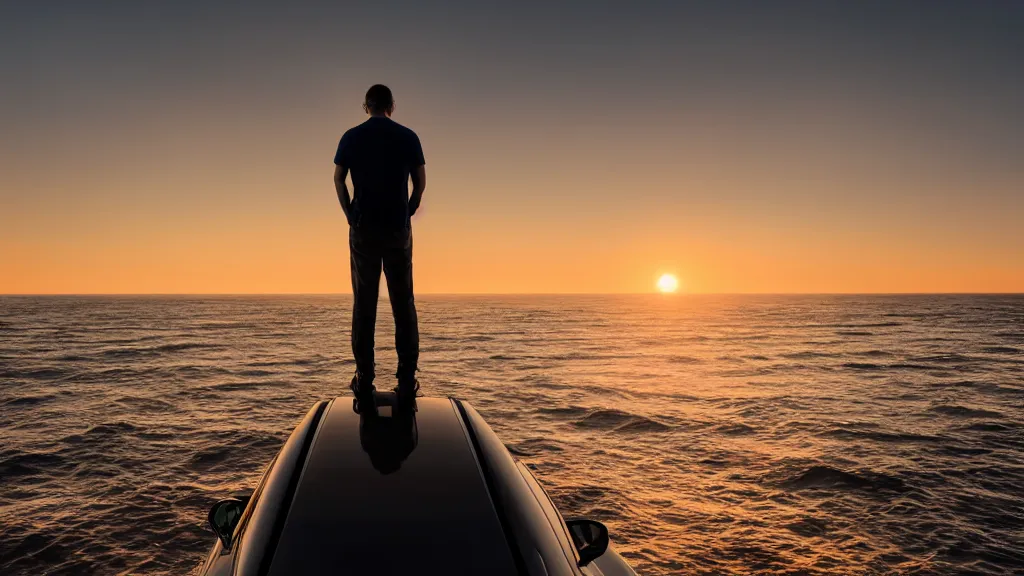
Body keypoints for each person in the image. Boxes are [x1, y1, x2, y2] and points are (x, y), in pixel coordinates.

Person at [333, 84, 426, 408]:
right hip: (397, 230)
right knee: (404, 304)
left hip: (364, 229)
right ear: (392, 106)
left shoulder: (351, 136)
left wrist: (349, 213)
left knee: (365, 305)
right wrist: (409, 209)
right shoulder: (407, 136)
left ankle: (365, 378)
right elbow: (421, 181)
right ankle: (405, 379)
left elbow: (338, 178)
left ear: (365, 105)